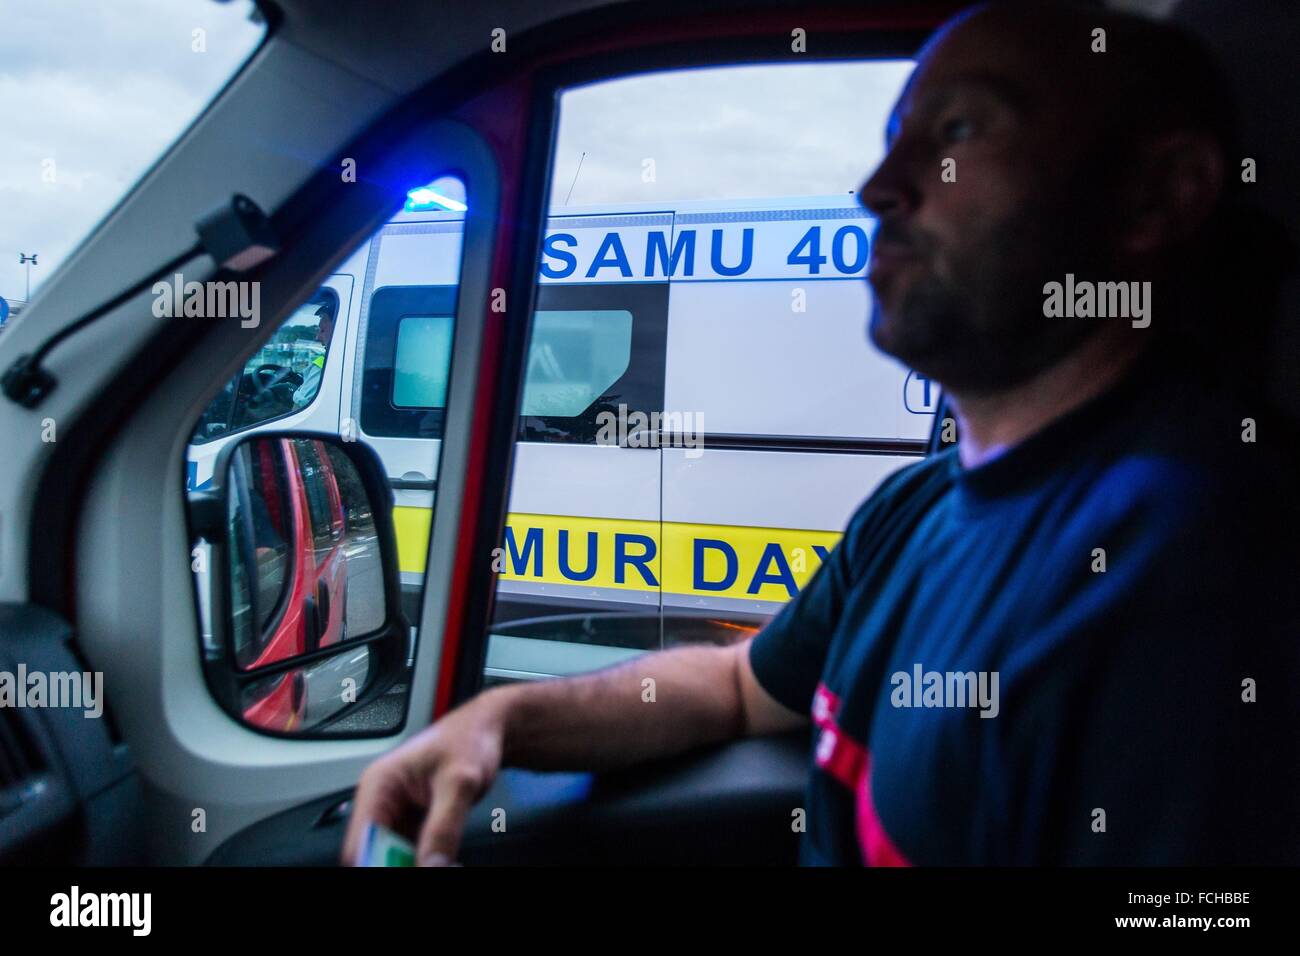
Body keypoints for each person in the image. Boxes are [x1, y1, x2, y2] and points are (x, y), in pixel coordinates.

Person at [344, 0, 1300, 866]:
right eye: (894, 141)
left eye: (960, 129)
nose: (878, 186)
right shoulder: (919, 508)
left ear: (1159, 195)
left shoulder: (1195, 567)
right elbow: (734, 688)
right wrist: (502, 719)